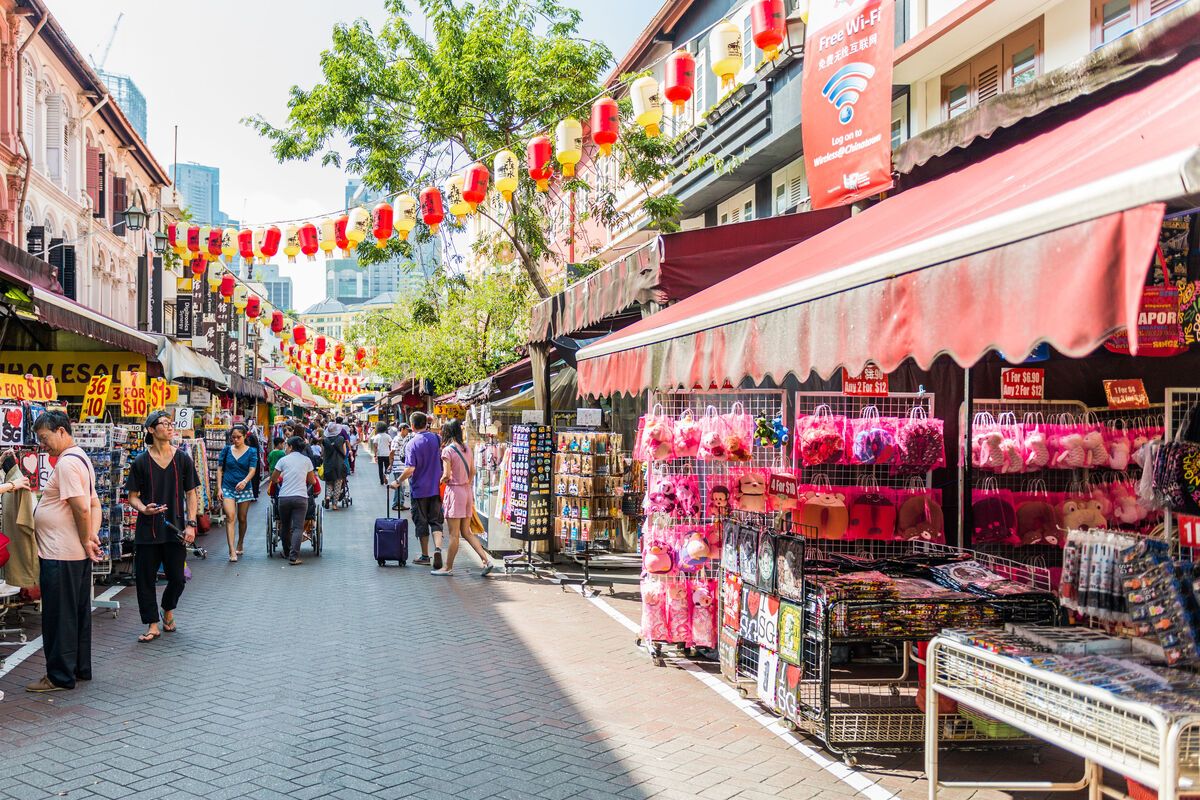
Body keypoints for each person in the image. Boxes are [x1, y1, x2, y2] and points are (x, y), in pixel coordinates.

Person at [27, 411, 102, 692]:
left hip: (60, 554)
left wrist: (86, 539)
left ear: (61, 431)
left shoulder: (68, 464)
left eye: (44, 438)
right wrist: (90, 538)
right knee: (76, 613)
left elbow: (82, 508)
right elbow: (93, 504)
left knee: (59, 616)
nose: (42, 444)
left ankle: (59, 676)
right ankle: (78, 668)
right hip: (73, 553)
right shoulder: (81, 458)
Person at [125, 411, 200, 643]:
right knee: (145, 579)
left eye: (171, 423)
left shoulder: (182, 459)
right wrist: (143, 508)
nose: (169, 427)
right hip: (147, 531)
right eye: (164, 423)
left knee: (177, 578)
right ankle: (152, 624)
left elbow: (191, 493)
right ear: (151, 429)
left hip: (175, 530)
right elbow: (132, 497)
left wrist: (191, 524)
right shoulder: (141, 461)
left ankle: (167, 608)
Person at [437, 420, 501, 577]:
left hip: (455, 492)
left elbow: (446, 474)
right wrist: (466, 482)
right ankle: (486, 560)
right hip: (467, 491)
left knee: (454, 534)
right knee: (467, 532)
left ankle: (447, 567)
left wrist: (440, 481)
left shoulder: (447, 451)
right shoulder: (466, 449)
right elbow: (472, 471)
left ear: (447, 432)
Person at [394, 412, 443, 568]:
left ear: (412, 425)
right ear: (426, 423)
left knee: (421, 522)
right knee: (436, 521)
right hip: (436, 487)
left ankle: (425, 555)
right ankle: (438, 549)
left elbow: (410, 469)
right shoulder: (437, 439)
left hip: (419, 490)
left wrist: (398, 481)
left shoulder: (412, 444)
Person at [271, 436, 317, 566]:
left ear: (291, 447)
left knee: (285, 526)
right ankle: (294, 556)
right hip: (301, 497)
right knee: (298, 528)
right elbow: (312, 481)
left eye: (287, 445)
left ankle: (286, 552)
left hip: (284, 497)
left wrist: (279, 479)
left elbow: (274, 479)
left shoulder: (283, 460)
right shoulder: (307, 460)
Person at [216, 423, 258, 562]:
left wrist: (245, 481)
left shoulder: (252, 451)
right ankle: (231, 550)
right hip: (228, 487)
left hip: (244, 488)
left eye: (238, 437)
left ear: (245, 436)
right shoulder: (226, 450)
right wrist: (219, 488)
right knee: (230, 517)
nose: (235, 440)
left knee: (242, 518)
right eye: (233, 437)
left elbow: (252, 470)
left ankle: (240, 542)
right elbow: (220, 469)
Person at [321, 422, 348, 508]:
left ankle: (328, 497)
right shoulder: (341, 439)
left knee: (329, 483)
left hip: (328, 464)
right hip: (339, 464)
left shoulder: (325, 440)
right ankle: (334, 505)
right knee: (338, 484)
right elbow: (344, 452)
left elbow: (322, 453)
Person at [390, 423, 413, 510]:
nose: (408, 432)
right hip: (398, 466)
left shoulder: (403, 439)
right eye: (407, 430)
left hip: (401, 466)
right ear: (402, 429)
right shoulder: (397, 439)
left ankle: (400, 503)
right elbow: (392, 452)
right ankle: (397, 504)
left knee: (401, 486)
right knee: (399, 486)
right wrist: (391, 464)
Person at [246, 429, 265, 500]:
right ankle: (254, 494)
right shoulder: (253, 437)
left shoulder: (249, 437)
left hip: (250, 462)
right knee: (255, 477)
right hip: (255, 461)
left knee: (251, 478)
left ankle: (251, 494)